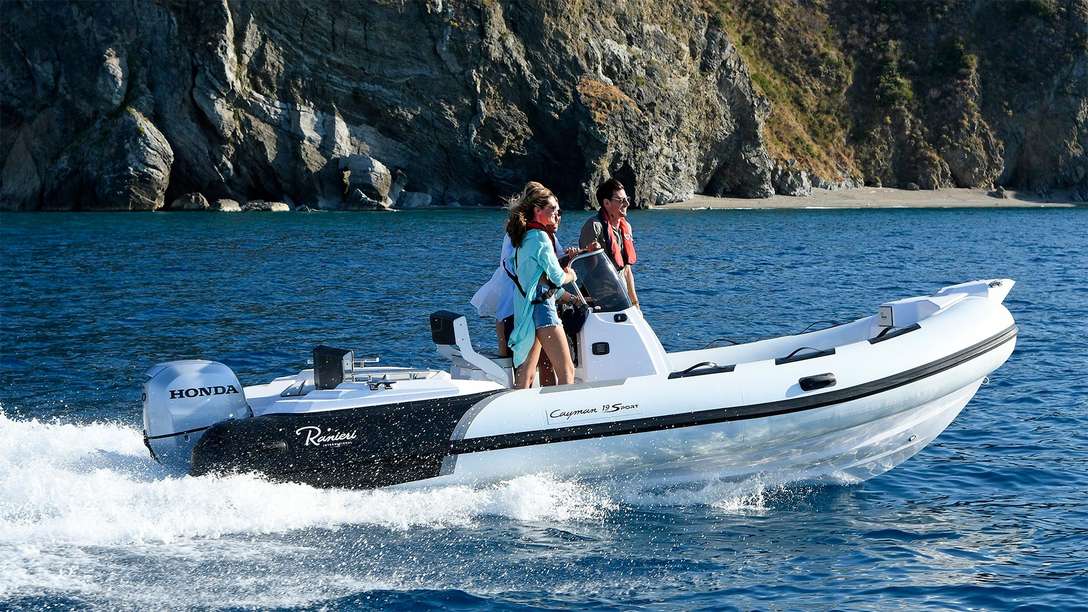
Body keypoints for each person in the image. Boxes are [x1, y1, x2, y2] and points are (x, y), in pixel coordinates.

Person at [505, 182, 578, 389]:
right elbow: (556, 277)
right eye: (552, 209)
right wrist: (570, 275)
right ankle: (565, 417)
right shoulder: (540, 238)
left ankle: (520, 416)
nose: (557, 214)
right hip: (542, 309)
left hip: (526, 310)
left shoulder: (524, 237)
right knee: (566, 370)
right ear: (538, 211)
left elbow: (535, 278)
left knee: (526, 374)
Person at [579, 178, 639, 309]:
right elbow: (586, 267)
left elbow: (627, 270)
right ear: (606, 203)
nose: (627, 203)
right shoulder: (593, 226)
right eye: (621, 200)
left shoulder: (626, 227)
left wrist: (635, 303)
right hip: (600, 300)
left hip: (621, 298)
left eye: (626, 198)